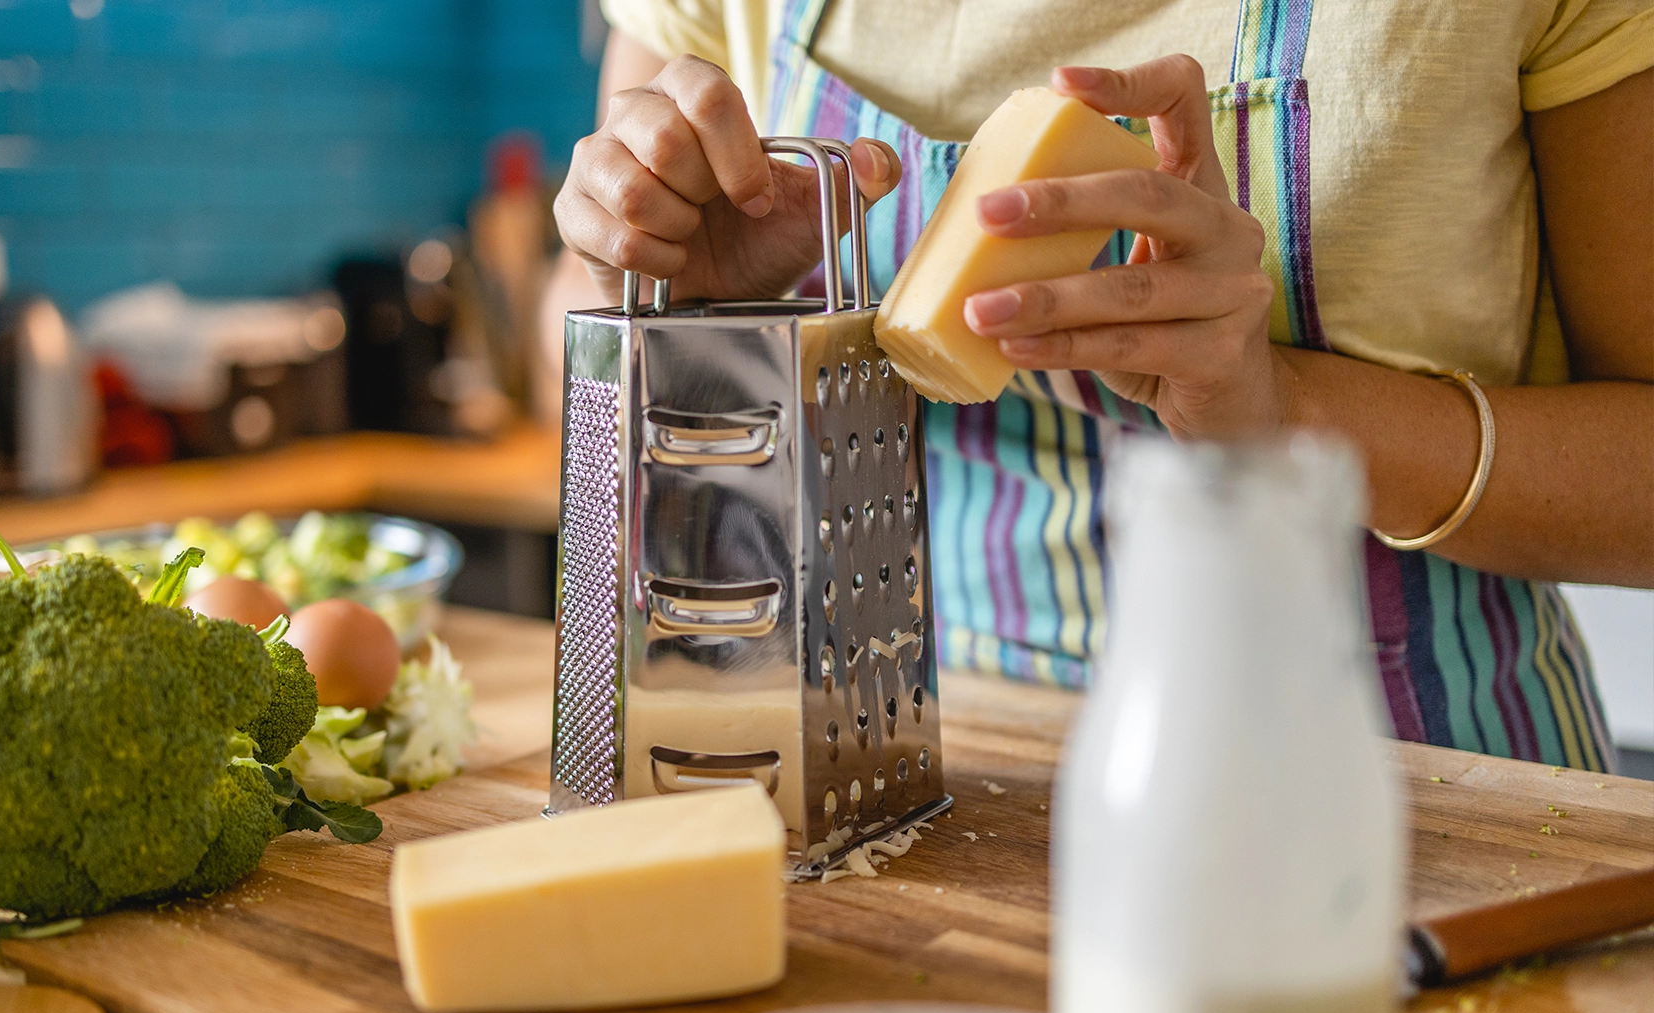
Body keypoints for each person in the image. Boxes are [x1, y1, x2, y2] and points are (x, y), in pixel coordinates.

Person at [541, 0, 1654, 770]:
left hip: (1413, 792)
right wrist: (683, 310)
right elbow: (567, 359)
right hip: (911, 778)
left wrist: (1292, 410)